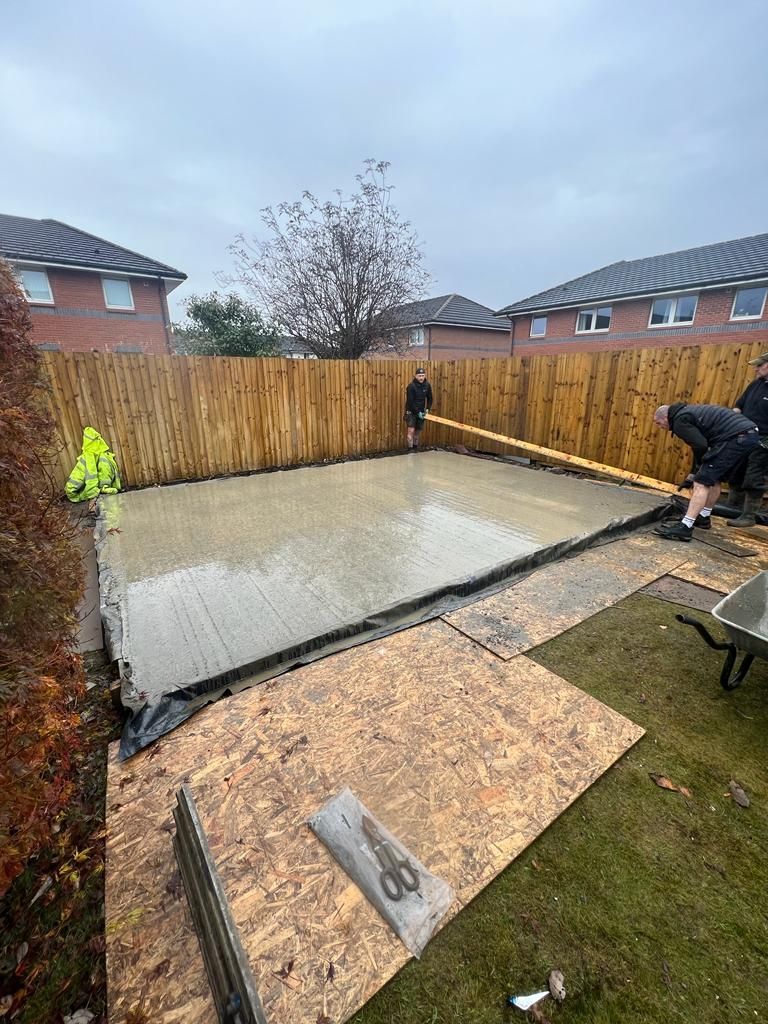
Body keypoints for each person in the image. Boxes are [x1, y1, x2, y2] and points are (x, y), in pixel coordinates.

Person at [652, 402, 760, 541]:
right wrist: (692, 475)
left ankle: (685, 526)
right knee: (713, 479)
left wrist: (696, 474)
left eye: (658, 423)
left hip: (736, 437)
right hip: (748, 435)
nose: (659, 427)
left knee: (701, 483)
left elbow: (700, 446)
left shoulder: (679, 420)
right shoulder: (687, 413)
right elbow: (698, 447)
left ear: (666, 417)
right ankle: (703, 517)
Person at [728, 352, 768, 527]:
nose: (756, 368)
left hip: (764, 439)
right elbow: (739, 405)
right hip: (744, 435)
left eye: (760, 365)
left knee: (754, 475)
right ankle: (731, 508)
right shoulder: (755, 385)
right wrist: (731, 421)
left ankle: (749, 516)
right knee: (736, 471)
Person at [404, 367, 433, 450]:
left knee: (417, 433)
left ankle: (415, 448)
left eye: (423, 375)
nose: (421, 377)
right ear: (416, 376)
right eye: (419, 375)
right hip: (411, 412)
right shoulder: (411, 386)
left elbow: (430, 398)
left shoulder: (427, 385)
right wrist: (417, 412)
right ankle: (410, 450)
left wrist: (427, 409)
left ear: (425, 376)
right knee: (411, 432)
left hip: (421, 412)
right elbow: (410, 402)